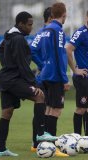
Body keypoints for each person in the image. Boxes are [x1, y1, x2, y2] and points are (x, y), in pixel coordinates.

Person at [0, 11, 57, 157]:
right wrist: (34, 83)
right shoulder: (18, 40)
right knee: (40, 96)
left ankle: (1, 149)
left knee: (7, 112)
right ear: (21, 24)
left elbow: (0, 48)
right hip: (13, 80)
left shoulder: (10, 35)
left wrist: (7, 65)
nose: (31, 27)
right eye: (29, 25)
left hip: (6, 79)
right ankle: (40, 134)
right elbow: (23, 65)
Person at [40, 2, 70, 156]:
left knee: (49, 107)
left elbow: (42, 51)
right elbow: (59, 54)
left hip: (46, 72)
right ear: (64, 14)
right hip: (55, 75)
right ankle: (52, 146)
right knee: (56, 109)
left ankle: (44, 145)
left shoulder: (46, 29)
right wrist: (64, 78)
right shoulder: (58, 31)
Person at [66, 8, 88, 136]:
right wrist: (75, 70)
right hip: (83, 77)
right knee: (81, 108)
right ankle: (76, 137)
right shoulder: (80, 33)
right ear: (86, 18)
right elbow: (68, 49)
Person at [29, 7, 52, 152]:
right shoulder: (43, 33)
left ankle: (41, 140)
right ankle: (36, 142)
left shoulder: (53, 32)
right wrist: (43, 65)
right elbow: (31, 50)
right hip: (43, 77)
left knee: (48, 109)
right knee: (41, 109)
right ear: (49, 18)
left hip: (52, 77)